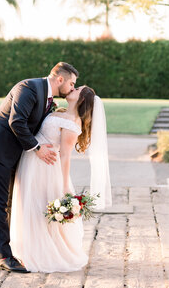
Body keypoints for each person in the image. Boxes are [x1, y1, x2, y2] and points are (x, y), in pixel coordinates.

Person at [0, 62, 79, 272]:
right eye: (71, 83)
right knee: (0, 201)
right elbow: (16, 122)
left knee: (12, 201)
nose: (71, 88)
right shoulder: (29, 88)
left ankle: (16, 248)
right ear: (60, 79)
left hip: (14, 152)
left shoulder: (48, 98)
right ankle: (3, 256)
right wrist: (38, 148)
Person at [9, 85, 112, 273]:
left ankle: (43, 253)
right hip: (32, 161)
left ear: (81, 100)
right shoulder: (60, 111)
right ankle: (27, 248)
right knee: (28, 205)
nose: (72, 89)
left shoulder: (73, 123)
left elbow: (65, 155)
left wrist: (64, 184)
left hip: (45, 168)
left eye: (77, 89)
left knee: (38, 207)